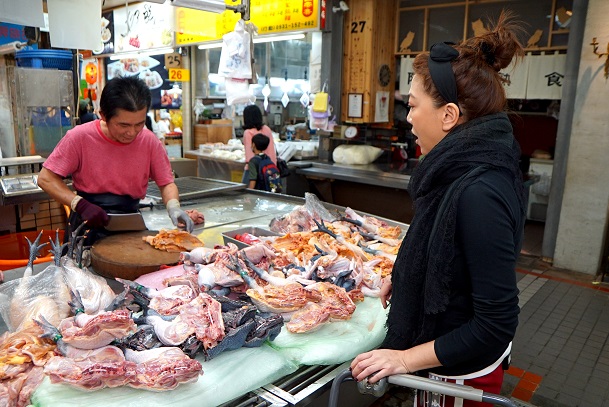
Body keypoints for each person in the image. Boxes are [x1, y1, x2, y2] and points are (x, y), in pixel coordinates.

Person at [350, 12, 527, 406]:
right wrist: (409, 275)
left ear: (449, 115)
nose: (408, 118)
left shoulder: (480, 190)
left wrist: (404, 358)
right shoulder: (461, 168)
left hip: (462, 376)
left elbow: (495, 324)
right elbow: (450, 251)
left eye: (412, 106)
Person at [37, 75, 194, 245]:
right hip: (87, 220)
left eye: (139, 124)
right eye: (124, 125)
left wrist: (173, 207)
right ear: (103, 115)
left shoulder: (149, 140)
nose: (132, 132)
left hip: (130, 222)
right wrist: (79, 204)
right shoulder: (79, 137)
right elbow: (46, 178)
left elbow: (166, 183)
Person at [241, 104, 276, 184]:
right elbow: (272, 152)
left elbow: (250, 157)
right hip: (269, 169)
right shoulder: (266, 129)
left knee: (245, 194)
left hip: (254, 172)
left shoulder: (248, 132)